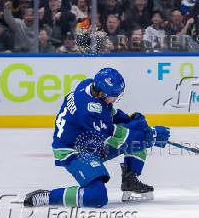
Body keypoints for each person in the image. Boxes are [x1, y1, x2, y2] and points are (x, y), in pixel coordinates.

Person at [23, 68, 170, 207]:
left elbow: (109, 113)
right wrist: (151, 137)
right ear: (103, 94)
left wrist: (129, 120)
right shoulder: (89, 110)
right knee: (96, 197)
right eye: (115, 95)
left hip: (91, 141)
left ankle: (130, 181)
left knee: (138, 128)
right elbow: (117, 136)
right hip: (74, 151)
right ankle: (48, 196)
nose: (116, 98)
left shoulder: (88, 85)